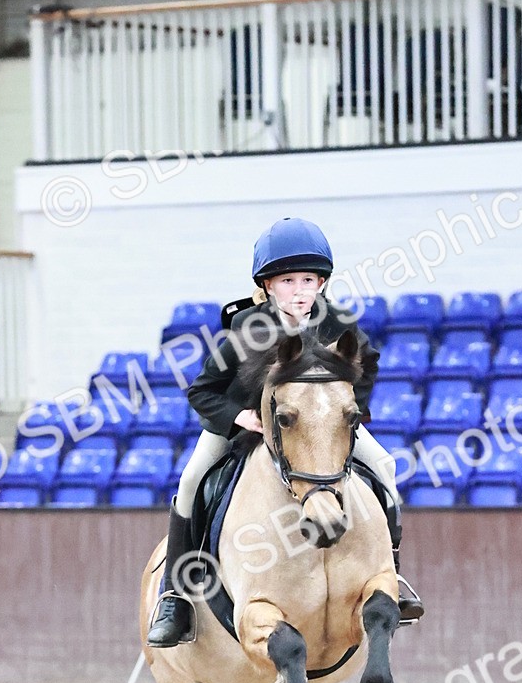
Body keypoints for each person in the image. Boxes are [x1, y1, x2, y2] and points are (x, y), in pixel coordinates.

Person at [147, 216, 424, 647]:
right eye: (288, 281)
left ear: (322, 283)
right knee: (191, 480)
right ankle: (175, 597)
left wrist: (346, 414)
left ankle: (392, 574)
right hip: (249, 428)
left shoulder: (338, 325)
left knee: (385, 467)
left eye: (308, 280)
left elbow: (366, 364)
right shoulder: (246, 332)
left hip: (320, 432)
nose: (299, 291)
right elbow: (202, 391)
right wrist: (237, 417)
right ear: (268, 286)